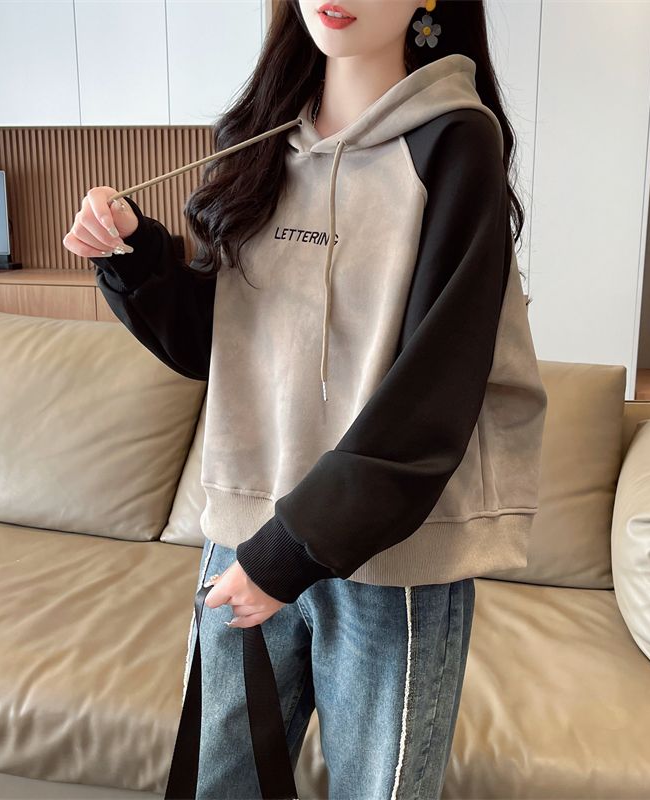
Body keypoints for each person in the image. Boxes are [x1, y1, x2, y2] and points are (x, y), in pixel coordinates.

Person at [62, 0, 548, 797]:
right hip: (245, 533)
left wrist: (289, 553)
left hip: (393, 566)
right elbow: (217, 342)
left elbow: (434, 389)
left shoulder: (457, 141)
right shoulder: (260, 140)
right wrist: (132, 254)